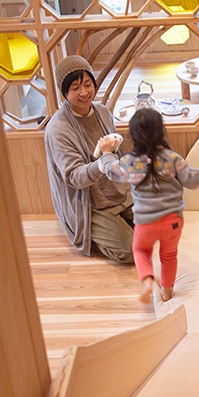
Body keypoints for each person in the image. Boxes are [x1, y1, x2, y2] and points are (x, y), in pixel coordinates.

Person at [97, 108, 199, 304]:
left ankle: (148, 280)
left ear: (133, 136)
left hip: (145, 223)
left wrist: (107, 152)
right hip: (173, 221)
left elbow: (109, 170)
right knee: (169, 255)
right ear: (161, 132)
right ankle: (167, 292)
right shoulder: (172, 158)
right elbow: (191, 179)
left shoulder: (129, 163)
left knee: (140, 251)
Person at [44, 55, 135, 263]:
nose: (84, 93)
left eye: (87, 84)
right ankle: (94, 234)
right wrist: (102, 163)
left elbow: (116, 152)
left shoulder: (102, 112)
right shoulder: (58, 128)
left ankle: (122, 223)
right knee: (130, 250)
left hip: (116, 189)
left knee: (158, 217)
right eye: (75, 88)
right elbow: (74, 177)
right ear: (64, 92)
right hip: (89, 202)